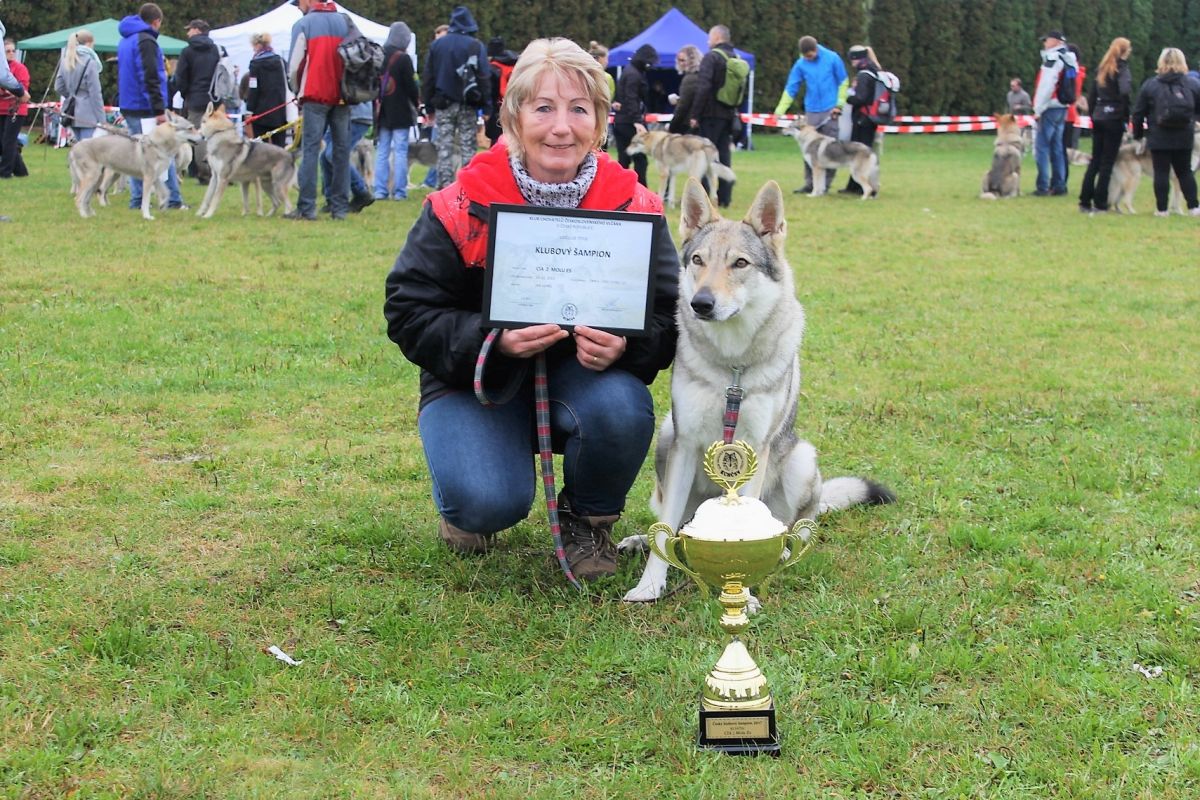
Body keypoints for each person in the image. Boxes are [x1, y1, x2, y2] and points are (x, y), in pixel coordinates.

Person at [383, 38, 679, 580]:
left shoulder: (636, 205)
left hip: (586, 382)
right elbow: (407, 309)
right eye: (543, 108)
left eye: (578, 109)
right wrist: (491, 341)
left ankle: (587, 520)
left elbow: (670, 315)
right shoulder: (457, 204)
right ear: (513, 117)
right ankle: (471, 497)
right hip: (474, 382)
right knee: (486, 502)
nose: (560, 127)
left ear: (600, 122)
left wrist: (629, 344)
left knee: (622, 407)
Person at [286, 0, 351, 221]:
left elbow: (294, 65)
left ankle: (307, 207)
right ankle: (340, 208)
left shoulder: (304, 24)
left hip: (315, 94)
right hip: (343, 95)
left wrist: (296, 90)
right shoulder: (345, 22)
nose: (298, 6)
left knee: (310, 151)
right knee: (342, 152)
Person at [116, 3, 185, 210]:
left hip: (129, 103)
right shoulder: (146, 41)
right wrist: (158, 110)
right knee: (164, 152)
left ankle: (138, 199)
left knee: (138, 156)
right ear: (156, 22)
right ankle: (172, 198)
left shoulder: (125, 40)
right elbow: (150, 77)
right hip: (146, 107)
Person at [423, 5, 491, 188]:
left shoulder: (437, 45)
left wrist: (428, 107)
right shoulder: (475, 45)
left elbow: (428, 77)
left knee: (444, 146)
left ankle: (444, 186)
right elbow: (484, 77)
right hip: (468, 104)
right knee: (468, 147)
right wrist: (487, 107)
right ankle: (467, 186)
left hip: (443, 103)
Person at [1131, 47, 1200, 217]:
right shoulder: (1192, 84)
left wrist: (1138, 136)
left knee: (1161, 172)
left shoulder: (1151, 84)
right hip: (1184, 134)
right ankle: (1194, 207)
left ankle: (1162, 209)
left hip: (1159, 135)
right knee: (1184, 171)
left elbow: (1138, 113)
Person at [775, 35, 848, 194]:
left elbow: (843, 81)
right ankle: (810, 183)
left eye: (811, 55)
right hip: (812, 110)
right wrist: (780, 110)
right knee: (809, 148)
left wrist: (839, 104)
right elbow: (791, 87)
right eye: (805, 56)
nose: (809, 58)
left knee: (831, 148)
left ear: (816, 49)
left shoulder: (832, 58)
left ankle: (825, 185)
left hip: (831, 109)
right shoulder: (800, 64)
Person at [1078, 37, 1132, 214]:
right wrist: (1125, 114)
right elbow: (1124, 91)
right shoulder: (1122, 69)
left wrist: (1093, 114)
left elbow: (1092, 95)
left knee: (1095, 160)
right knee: (1107, 162)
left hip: (1099, 115)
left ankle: (1084, 201)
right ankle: (1101, 203)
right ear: (1125, 51)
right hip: (1114, 117)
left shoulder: (1102, 68)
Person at [692, 25, 740, 207]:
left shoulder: (711, 58)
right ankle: (725, 197)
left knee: (705, 155)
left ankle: (703, 197)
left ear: (718, 37)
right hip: (728, 113)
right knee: (724, 154)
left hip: (710, 114)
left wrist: (695, 113)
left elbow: (703, 87)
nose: (707, 41)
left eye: (709, 37)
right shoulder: (735, 58)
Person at [374, 22, 420, 200]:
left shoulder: (380, 55)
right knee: (400, 151)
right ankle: (400, 191)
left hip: (383, 110)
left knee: (382, 151)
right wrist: (416, 102)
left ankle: (379, 190)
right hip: (401, 111)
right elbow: (412, 86)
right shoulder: (404, 59)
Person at [173, 19, 220, 184]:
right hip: (214, 99)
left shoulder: (188, 51)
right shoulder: (215, 50)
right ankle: (218, 170)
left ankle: (204, 173)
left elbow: (181, 77)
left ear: (197, 30)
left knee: (197, 135)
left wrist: (185, 93)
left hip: (194, 98)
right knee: (213, 135)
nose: (187, 33)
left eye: (190, 29)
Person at [1032, 30, 1077, 196]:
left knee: (1042, 147)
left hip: (1050, 106)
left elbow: (1046, 85)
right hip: (1063, 106)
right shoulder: (1070, 59)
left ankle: (1042, 185)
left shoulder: (1052, 58)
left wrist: (1038, 108)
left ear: (1056, 41)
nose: (1044, 43)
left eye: (1047, 40)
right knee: (1057, 147)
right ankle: (1059, 184)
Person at [842, 44, 885, 195]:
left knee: (860, 153)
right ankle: (853, 186)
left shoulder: (863, 75)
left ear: (856, 59)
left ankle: (864, 187)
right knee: (862, 153)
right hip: (870, 119)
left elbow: (861, 98)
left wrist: (848, 98)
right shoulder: (874, 71)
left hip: (862, 119)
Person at [612, 43, 656, 186]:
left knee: (624, 159)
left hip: (621, 120)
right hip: (630, 122)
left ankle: (620, 189)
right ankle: (641, 189)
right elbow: (631, 99)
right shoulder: (634, 75)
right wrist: (637, 121)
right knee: (640, 159)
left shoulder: (628, 71)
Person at [322, 100, 374, 212]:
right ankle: (331, 199)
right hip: (339, 113)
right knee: (324, 154)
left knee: (334, 154)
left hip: (355, 115)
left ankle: (361, 192)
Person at [54, 30, 105, 143]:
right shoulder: (90, 63)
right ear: (89, 43)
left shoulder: (66, 60)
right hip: (87, 113)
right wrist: (102, 119)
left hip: (71, 111)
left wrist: (72, 95)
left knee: (79, 149)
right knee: (87, 152)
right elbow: (95, 93)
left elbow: (58, 86)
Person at [241, 32, 289, 147]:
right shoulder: (281, 61)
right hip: (280, 109)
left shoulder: (255, 64)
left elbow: (253, 89)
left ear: (257, 45)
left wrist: (249, 110)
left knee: (262, 146)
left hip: (261, 112)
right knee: (279, 146)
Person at [0, 38, 30, 179]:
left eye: (13, 51)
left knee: (9, 141)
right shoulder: (3, 69)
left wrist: (9, 91)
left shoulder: (20, 68)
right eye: (7, 51)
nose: (11, 53)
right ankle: (21, 171)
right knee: (3, 142)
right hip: (1, 109)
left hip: (16, 110)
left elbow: (22, 89)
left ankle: (5, 172)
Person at [1060, 44, 1086, 189]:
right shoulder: (1078, 73)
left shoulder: (1073, 73)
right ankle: (1061, 180)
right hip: (1070, 114)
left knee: (1062, 150)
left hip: (1067, 114)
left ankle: (1061, 181)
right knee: (1064, 150)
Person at [484, 37, 518, 145]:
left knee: (496, 140)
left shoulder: (492, 68)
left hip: (498, 108)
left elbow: (489, 92)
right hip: (516, 106)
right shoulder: (516, 63)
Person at [667, 44, 701, 135]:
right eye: (679, 60)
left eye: (683, 60)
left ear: (692, 60)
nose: (680, 63)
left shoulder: (690, 79)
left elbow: (683, 106)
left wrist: (672, 126)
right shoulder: (702, 76)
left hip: (688, 124)